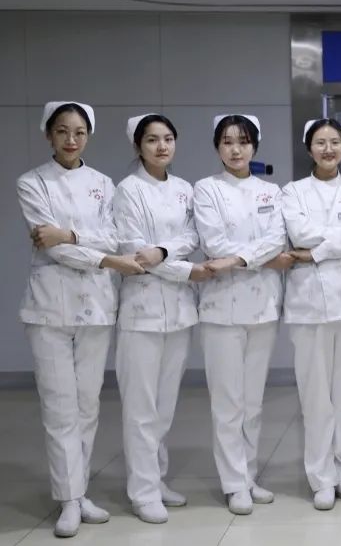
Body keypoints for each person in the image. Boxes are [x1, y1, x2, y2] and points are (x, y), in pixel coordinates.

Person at [17, 101, 143, 538]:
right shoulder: (32, 182)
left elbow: (111, 236)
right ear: (48, 134)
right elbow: (53, 249)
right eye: (62, 131)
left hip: (96, 306)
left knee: (88, 405)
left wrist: (69, 233)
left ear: (89, 136)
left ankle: (81, 490)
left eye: (79, 132)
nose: (71, 140)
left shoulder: (103, 184)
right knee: (59, 406)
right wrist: (107, 258)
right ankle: (68, 498)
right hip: (49, 307)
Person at [113, 114, 213, 523]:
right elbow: (135, 253)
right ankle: (142, 491)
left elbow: (192, 236)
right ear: (137, 146)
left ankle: (156, 479)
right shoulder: (127, 190)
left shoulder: (184, 189)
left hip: (179, 312)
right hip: (141, 312)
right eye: (152, 140)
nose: (161, 146)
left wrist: (163, 252)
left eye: (168, 138)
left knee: (164, 405)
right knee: (140, 407)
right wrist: (185, 269)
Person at [194, 114, 291, 515]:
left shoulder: (271, 192)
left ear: (255, 146)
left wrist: (237, 259)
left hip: (263, 306)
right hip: (221, 309)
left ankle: (249, 475)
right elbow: (213, 243)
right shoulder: (206, 189)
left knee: (253, 401)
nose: (236, 150)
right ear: (217, 147)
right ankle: (233, 483)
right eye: (228, 142)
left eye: (244, 141)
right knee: (228, 401)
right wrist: (258, 256)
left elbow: (278, 239)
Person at [281, 118, 341, 510]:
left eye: (335, 142)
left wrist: (319, 250)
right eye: (320, 142)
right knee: (316, 395)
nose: (328, 149)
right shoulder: (293, 192)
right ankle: (320, 477)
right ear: (309, 148)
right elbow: (299, 233)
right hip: (309, 306)